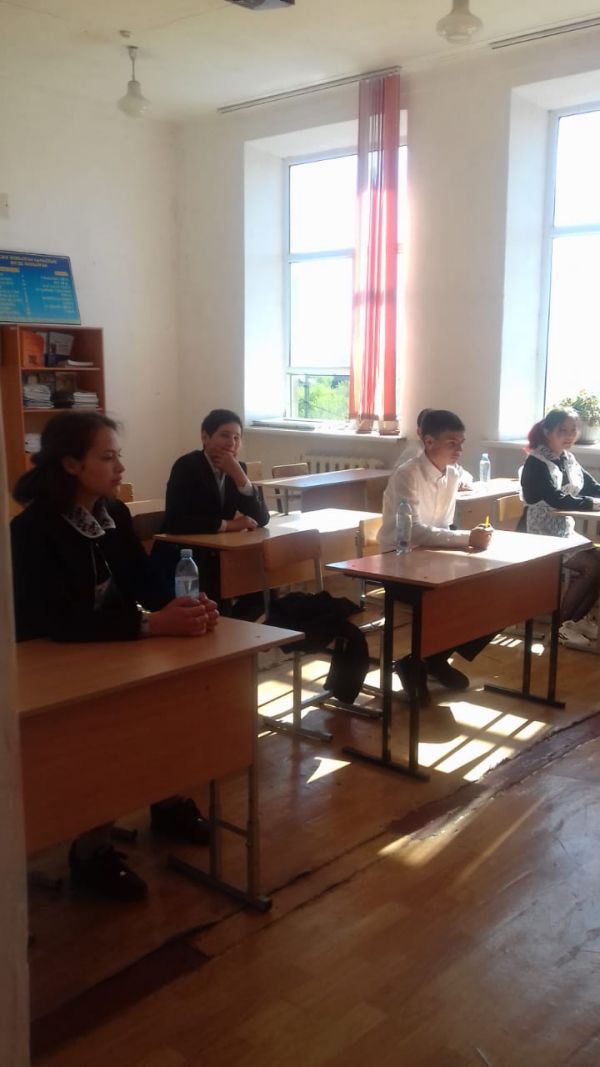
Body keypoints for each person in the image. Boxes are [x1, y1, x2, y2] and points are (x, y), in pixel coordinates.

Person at [10, 412, 220, 903]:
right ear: (70, 464)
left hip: (110, 648)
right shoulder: (32, 531)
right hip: (50, 663)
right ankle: (91, 851)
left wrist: (183, 606)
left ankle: (167, 800)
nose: (120, 467)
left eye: (117, 455)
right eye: (107, 457)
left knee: (169, 702)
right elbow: (58, 622)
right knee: (103, 739)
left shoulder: (112, 515)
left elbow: (142, 582)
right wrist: (151, 624)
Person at [378, 409, 493, 703]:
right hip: (398, 562)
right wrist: (467, 538)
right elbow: (414, 531)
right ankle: (420, 661)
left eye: (461, 443)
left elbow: (443, 526)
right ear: (428, 441)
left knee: (495, 597)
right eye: (451, 443)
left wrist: (469, 539)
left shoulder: (452, 474)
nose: (459, 450)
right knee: (449, 600)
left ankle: (433, 659)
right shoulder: (407, 474)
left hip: (433, 558)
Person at [152, 408, 270, 612]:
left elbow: (262, 518)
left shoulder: (238, 468)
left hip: (217, 552)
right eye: (224, 435)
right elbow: (175, 521)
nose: (231, 443)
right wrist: (229, 525)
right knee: (223, 594)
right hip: (185, 557)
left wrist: (241, 478)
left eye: (237, 437)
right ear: (205, 437)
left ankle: (240, 624)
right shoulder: (187, 466)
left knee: (263, 586)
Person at [520, 408, 600, 647]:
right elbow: (556, 499)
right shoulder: (536, 462)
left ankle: (574, 621)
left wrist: (595, 497)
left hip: (563, 531)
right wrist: (591, 504)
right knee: (591, 567)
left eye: (573, 430)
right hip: (539, 534)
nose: (569, 435)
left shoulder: (567, 459)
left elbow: (592, 487)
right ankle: (560, 627)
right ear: (547, 432)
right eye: (562, 430)